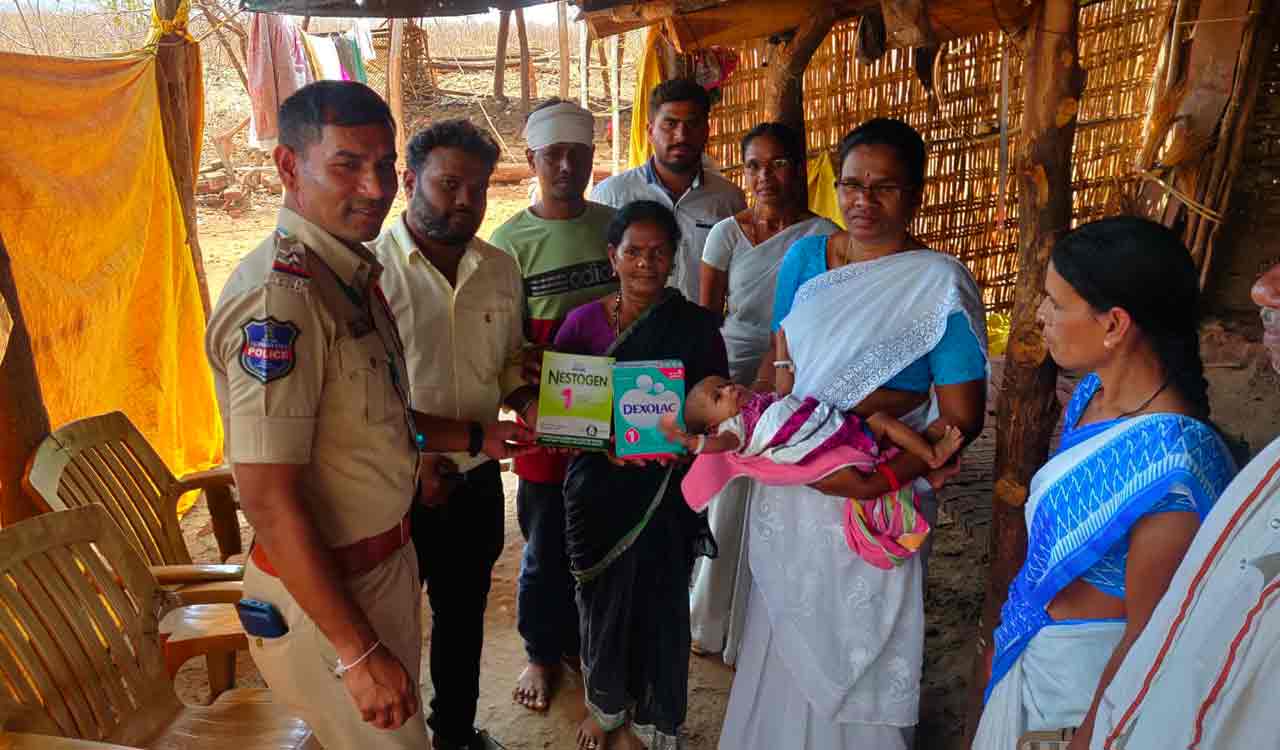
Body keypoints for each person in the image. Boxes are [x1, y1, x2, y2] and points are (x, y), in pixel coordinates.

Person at [717, 118, 989, 749]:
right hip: (793, 477)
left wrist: (885, 476)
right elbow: (780, 363)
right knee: (788, 620)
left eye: (884, 187)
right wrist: (761, 426)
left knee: (865, 631)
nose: (864, 202)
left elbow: (961, 417)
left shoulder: (936, 284)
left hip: (879, 493)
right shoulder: (808, 258)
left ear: (916, 194)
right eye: (851, 185)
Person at [206, 80, 436, 748]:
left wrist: (480, 437)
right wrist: (359, 653)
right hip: (333, 596)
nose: (374, 187)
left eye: (383, 165)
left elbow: (366, 420)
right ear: (288, 166)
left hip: (378, 571)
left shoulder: (344, 275)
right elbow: (268, 499)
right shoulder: (281, 302)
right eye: (346, 165)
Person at [971, 217, 1238, 750]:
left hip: (1085, 687)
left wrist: (1089, 739)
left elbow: (1149, 639)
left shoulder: (1174, 470)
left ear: (1114, 324)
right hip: (1038, 651)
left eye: (1055, 303)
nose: (1040, 316)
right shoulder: (1092, 395)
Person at [372, 118, 538, 750]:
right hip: (390, 483)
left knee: (462, 617)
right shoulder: (371, 276)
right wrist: (450, 444)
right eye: (448, 185)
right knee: (388, 626)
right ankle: (395, 740)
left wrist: (524, 397)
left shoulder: (498, 268)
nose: (466, 201)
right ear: (410, 181)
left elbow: (502, 363)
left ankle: (455, 735)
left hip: (472, 482)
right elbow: (363, 408)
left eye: (479, 187)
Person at [1071, 265, 1280, 750]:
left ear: (1115, 324)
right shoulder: (1265, 474)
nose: (1261, 290)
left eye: (1058, 303)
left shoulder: (1176, 458)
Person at [554, 200, 729, 750]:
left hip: (666, 489)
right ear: (613, 256)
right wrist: (608, 449)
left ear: (675, 258)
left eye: (659, 252)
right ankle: (606, 707)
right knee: (602, 601)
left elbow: (718, 405)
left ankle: (656, 718)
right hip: (600, 491)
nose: (647, 264)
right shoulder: (582, 323)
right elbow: (565, 419)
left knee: (660, 602)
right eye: (634, 252)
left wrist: (685, 444)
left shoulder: (697, 327)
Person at [689, 121, 839, 660]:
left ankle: (766, 622)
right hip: (733, 365)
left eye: (778, 163)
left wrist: (782, 376)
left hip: (795, 368)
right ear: (742, 171)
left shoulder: (822, 235)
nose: (765, 176)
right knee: (728, 490)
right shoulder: (724, 233)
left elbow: (821, 315)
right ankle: (710, 619)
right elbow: (707, 319)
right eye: (754, 165)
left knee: (779, 485)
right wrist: (712, 388)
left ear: (800, 169)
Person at [487, 98, 618, 713]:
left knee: (607, 534)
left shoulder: (615, 227)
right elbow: (501, 343)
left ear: (593, 158)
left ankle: (594, 646)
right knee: (545, 541)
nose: (567, 165)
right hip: (546, 416)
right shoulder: (509, 242)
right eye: (554, 154)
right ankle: (543, 652)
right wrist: (527, 405)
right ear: (532, 158)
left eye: (579, 153)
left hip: (615, 411)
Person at [590, 79, 745, 304]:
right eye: (670, 124)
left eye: (692, 124)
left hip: (700, 333)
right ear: (650, 131)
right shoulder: (612, 196)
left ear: (706, 131)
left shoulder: (728, 200)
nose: (681, 135)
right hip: (631, 333)